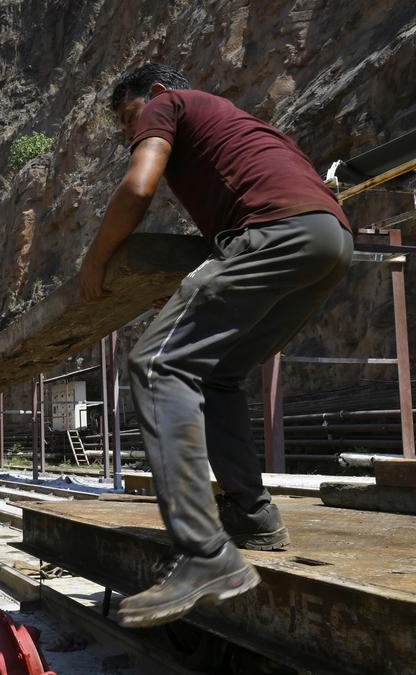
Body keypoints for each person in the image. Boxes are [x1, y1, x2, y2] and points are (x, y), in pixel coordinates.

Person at [79, 64, 353, 628]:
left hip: (277, 231)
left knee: (155, 364)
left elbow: (137, 186)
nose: (130, 133)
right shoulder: (234, 132)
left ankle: (206, 555)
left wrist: (96, 258)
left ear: (151, 94)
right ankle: (253, 518)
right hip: (329, 240)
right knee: (220, 373)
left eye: (127, 118)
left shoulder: (169, 103)